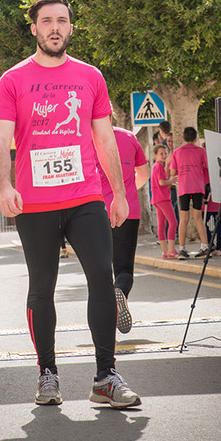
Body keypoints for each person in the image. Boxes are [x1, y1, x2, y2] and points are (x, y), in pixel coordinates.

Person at [0, 0, 141, 409]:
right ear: (34, 28)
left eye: (62, 20)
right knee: (43, 288)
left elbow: (105, 138)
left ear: (70, 27)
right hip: (35, 205)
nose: (55, 27)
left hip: (86, 197)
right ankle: (48, 375)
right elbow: (1, 139)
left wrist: (119, 193)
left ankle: (105, 377)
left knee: (102, 279)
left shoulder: (90, 76)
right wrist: (5, 187)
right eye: (47, 21)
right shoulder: (13, 80)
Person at [96, 121, 150, 332]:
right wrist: (127, 192)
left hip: (97, 211)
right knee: (124, 268)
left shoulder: (86, 138)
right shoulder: (129, 137)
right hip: (129, 209)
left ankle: (104, 318)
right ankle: (121, 291)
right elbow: (144, 174)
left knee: (99, 269)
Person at [169, 126, 210, 259]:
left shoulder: (177, 152)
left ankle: (182, 249)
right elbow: (208, 166)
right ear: (196, 138)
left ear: (183, 138)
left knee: (183, 219)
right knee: (198, 218)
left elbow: (173, 172)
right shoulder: (201, 151)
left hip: (184, 188)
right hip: (198, 187)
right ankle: (205, 246)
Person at [150, 144, 178, 260]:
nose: (164, 155)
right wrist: (171, 180)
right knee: (173, 222)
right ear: (155, 155)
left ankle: (165, 251)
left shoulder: (155, 167)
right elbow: (162, 182)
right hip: (162, 198)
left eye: (165, 153)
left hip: (157, 198)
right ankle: (171, 250)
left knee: (162, 224)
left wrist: (169, 181)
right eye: (161, 153)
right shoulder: (159, 167)